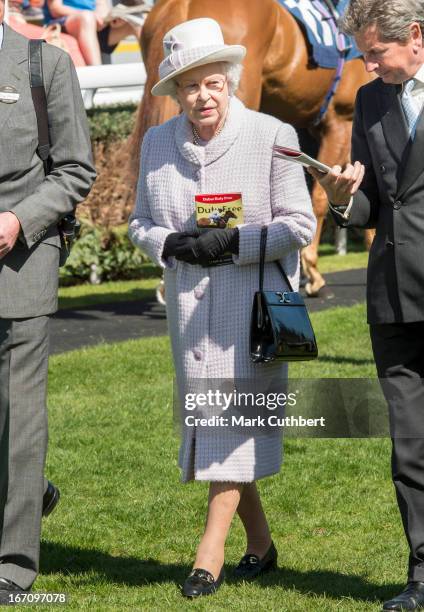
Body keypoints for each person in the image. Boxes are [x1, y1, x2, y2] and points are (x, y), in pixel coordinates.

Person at [129, 17, 316, 599]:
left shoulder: (273, 133)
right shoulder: (159, 143)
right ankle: (260, 542)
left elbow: (300, 224)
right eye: (190, 86)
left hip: (255, 308)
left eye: (212, 82)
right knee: (218, 427)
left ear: (231, 80)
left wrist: (236, 243)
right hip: (190, 313)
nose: (202, 96)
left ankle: (208, 555)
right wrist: (170, 243)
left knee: (230, 424)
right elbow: (139, 222)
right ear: (176, 93)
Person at [308, 1, 424, 609]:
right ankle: (421, 575)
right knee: (409, 445)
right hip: (393, 296)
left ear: (417, 39)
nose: (366, 62)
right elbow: (375, 204)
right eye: (363, 53)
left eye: (375, 51)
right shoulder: (373, 99)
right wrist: (342, 198)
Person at [0, 13, 96, 602]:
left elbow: (75, 169)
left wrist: (18, 219)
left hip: (19, 264)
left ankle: (12, 564)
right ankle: (31, 491)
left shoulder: (45, 64)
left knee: (19, 417)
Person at [43, 0, 144, 65]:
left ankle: (153, 74)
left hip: (96, 25)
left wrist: (107, 18)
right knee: (87, 18)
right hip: (65, 23)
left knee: (137, 21)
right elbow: (55, 9)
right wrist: (92, 16)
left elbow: (102, 5)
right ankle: (97, 76)